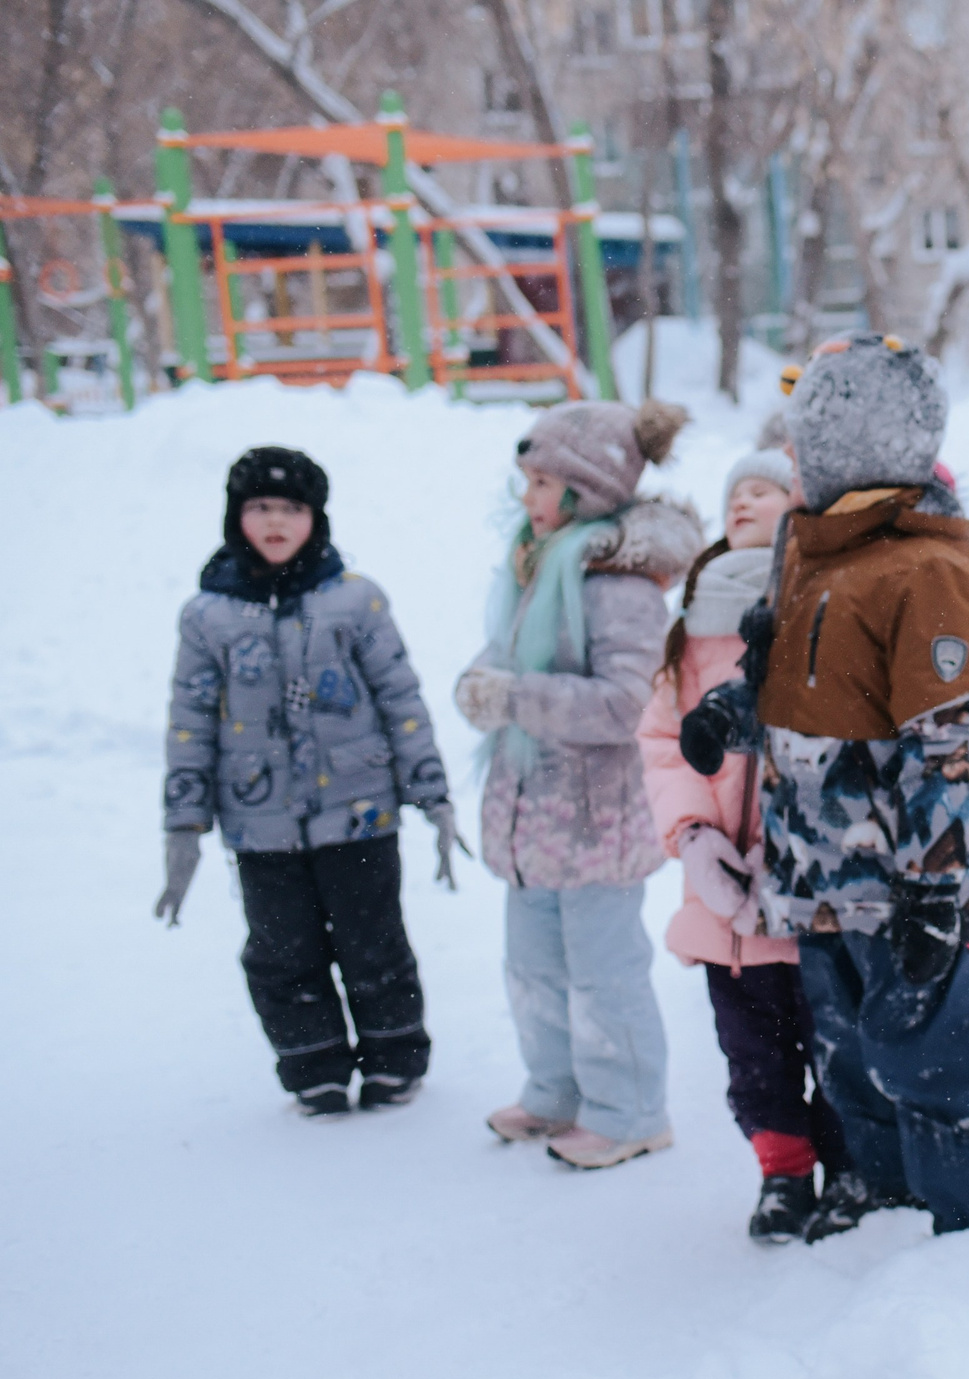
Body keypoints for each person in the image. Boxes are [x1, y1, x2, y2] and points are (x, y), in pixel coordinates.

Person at [679, 336, 969, 1236]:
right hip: (813, 878)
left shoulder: (925, 569)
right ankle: (878, 1193)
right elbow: (785, 681)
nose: (797, 458)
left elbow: (947, 748)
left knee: (928, 1057)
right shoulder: (812, 553)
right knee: (847, 1057)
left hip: (902, 889)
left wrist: (938, 893)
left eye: (812, 439)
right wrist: (728, 714)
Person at [157, 447, 462, 1117]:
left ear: (315, 518)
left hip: (358, 811)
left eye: (291, 508)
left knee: (372, 938)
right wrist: (184, 822)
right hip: (258, 821)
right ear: (235, 517)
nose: (274, 520)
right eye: (259, 507)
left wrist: (431, 792)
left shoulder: (355, 599)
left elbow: (400, 699)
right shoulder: (207, 615)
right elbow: (190, 721)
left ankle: (394, 1056)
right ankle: (313, 1064)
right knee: (281, 949)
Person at [456, 399, 703, 1169]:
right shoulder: (540, 563)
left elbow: (627, 700)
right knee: (532, 965)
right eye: (526, 481)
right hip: (533, 820)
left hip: (595, 822)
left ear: (588, 488)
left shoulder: (617, 583)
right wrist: (480, 683)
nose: (528, 499)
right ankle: (554, 1091)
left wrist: (515, 698)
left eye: (543, 483)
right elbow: (502, 655)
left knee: (603, 973)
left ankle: (629, 1109)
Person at [640, 448, 859, 1241]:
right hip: (723, 894)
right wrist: (694, 833)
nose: (743, 501)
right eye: (734, 492)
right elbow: (663, 740)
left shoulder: (825, 604)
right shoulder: (692, 628)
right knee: (753, 1055)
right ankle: (782, 1173)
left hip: (811, 887)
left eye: (764, 490)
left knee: (834, 1046)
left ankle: (850, 1169)